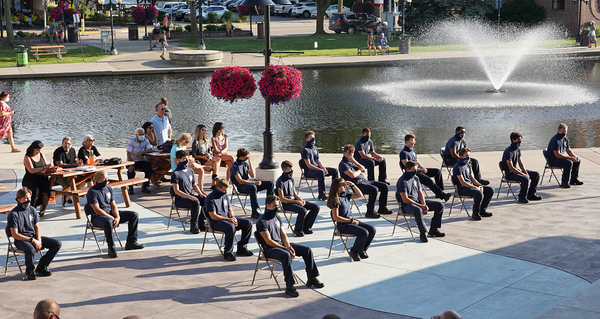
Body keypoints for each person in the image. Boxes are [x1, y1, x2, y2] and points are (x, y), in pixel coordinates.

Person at [257, 195, 324, 297]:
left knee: (307, 250)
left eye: (278, 206)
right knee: (286, 255)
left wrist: (288, 246)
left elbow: (283, 235)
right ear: (267, 206)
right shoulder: (262, 221)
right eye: (274, 206)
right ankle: (289, 286)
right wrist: (285, 249)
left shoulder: (277, 217)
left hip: (281, 245)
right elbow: (269, 241)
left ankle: (312, 278)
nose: (277, 208)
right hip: (270, 249)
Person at [86, 170, 145, 258]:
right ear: (97, 179)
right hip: (98, 217)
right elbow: (97, 209)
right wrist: (111, 217)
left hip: (109, 213)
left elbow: (113, 205)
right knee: (108, 221)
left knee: (134, 215)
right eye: (103, 178)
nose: (106, 180)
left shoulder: (108, 188)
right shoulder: (92, 191)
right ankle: (111, 248)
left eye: (106, 177)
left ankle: (131, 242)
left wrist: (117, 217)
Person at [8, 187, 62, 280]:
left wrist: (39, 240)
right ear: (18, 200)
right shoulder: (13, 214)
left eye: (29, 198)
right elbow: (15, 235)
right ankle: (30, 270)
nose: (28, 200)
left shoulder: (32, 210)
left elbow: (36, 227)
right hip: (21, 240)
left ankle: (42, 266)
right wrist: (32, 240)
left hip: (32, 236)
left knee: (57, 244)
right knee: (30, 250)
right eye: (25, 198)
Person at [327, 177, 376, 261]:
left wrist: (353, 185)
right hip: (343, 225)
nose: (344, 186)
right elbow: (336, 217)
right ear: (336, 187)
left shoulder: (345, 195)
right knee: (364, 232)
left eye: (344, 184)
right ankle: (354, 251)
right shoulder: (336, 200)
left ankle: (362, 250)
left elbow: (359, 195)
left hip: (351, 221)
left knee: (372, 229)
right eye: (342, 185)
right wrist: (351, 221)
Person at [205, 178, 254, 261]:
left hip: (226, 219)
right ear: (218, 188)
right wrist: (228, 220)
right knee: (230, 227)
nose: (225, 192)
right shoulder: (210, 198)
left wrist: (232, 217)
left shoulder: (225, 195)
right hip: (216, 222)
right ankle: (228, 252)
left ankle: (242, 247)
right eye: (224, 191)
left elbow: (229, 209)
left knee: (248, 223)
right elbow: (213, 216)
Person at [397, 161, 445, 243]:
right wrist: (420, 206)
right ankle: (422, 233)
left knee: (440, 205)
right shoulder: (402, 181)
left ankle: (433, 229)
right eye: (414, 170)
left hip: (417, 201)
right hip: (407, 205)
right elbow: (405, 199)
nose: (416, 171)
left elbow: (420, 193)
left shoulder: (416, 178)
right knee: (418, 210)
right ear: (407, 170)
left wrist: (423, 204)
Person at [339, 144, 392, 218]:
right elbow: (352, 175)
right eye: (349, 153)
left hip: (364, 181)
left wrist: (354, 161)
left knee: (384, 186)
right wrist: (359, 170)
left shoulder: (353, 162)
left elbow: (363, 169)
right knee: (374, 190)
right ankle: (370, 211)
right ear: (344, 153)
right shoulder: (343, 164)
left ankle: (382, 208)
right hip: (356, 185)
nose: (350, 155)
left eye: (352, 153)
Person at [400, 134, 451, 201]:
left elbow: (417, 161)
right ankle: (442, 195)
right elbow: (408, 166)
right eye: (411, 142)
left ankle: (439, 192)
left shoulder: (413, 151)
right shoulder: (403, 153)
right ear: (406, 142)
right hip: (412, 173)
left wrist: (423, 168)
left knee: (437, 171)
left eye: (414, 142)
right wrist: (420, 170)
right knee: (428, 180)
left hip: (419, 170)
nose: (413, 143)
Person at [276, 160, 320, 237]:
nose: (291, 171)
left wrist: (300, 200)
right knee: (303, 210)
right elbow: (282, 199)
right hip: (287, 203)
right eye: (290, 170)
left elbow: (295, 194)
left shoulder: (291, 179)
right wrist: (296, 202)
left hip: (294, 200)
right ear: (284, 170)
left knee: (315, 207)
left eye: (292, 169)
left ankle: (306, 227)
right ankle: (298, 229)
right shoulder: (280, 181)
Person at [230, 148, 274, 219]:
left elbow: (252, 175)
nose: (247, 158)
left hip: (249, 183)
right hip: (241, 186)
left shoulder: (245, 164)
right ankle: (254, 211)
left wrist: (250, 163)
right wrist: (254, 182)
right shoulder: (234, 167)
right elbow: (240, 181)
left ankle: (269, 206)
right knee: (253, 187)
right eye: (246, 157)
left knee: (270, 184)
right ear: (241, 157)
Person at [453, 148, 494, 221]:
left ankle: (482, 210)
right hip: (463, 188)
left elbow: (472, 178)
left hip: (470, 186)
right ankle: (475, 213)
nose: (468, 157)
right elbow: (462, 182)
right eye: (466, 156)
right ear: (461, 156)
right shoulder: (457, 167)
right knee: (478, 194)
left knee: (490, 190)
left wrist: (479, 185)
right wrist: (475, 188)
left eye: (469, 155)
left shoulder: (468, 165)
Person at [172, 150, 207, 234]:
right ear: (178, 160)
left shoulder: (190, 171)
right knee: (195, 202)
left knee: (206, 199)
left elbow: (194, 185)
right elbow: (176, 191)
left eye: (187, 158)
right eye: (184, 159)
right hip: (180, 199)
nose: (186, 160)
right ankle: (193, 225)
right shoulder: (176, 173)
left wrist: (200, 193)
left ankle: (201, 222)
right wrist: (189, 196)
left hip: (190, 195)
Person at [502, 132, 542, 203]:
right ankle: (522, 197)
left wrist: (525, 172)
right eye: (518, 140)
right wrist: (523, 174)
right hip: (510, 174)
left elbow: (520, 163)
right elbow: (511, 167)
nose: (520, 142)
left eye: (520, 140)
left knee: (536, 174)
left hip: (516, 171)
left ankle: (531, 194)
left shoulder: (517, 150)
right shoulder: (508, 151)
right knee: (525, 179)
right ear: (513, 140)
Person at [300, 131, 339, 201]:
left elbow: (318, 161)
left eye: (313, 138)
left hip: (317, 169)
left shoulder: (315, 148)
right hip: (309, 171)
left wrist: (323, 168)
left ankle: (335, 191)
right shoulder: (305, 150)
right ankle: (321, 193)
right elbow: (308, 164)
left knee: (334, 171)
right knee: (321, 172)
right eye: (311, 138)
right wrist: (320, 170)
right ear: (307, 139)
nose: (313, 140)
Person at [547, 123, 583, 188]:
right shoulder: (555, 140)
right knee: (568, 163)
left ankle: (573, 179)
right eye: (563, 132)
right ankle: (564, 182)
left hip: (559, 158)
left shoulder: (565, 139)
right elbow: (557, 155)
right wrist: (570, 158)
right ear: (558, 131)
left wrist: (574, 157)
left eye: (565, 132)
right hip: (553, 159)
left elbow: (568, 150)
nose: (564, 134)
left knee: (578, 160)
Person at [22, 141, 52, 217]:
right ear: (33, 149)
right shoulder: (27, 157)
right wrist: (44, 168)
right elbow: (31, 170)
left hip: (42, 177)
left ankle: (43, 209)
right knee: (35, 191)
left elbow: (46, 165)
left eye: (40, 150)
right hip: (31, 179)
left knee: (46, 191)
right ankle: (32, 209)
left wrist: (50, 166)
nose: (39, 152)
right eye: (37, 150)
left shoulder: (41, 155)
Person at [53, 136, 84, 205]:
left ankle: (67, 196)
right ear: (62, 143)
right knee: (68, 186)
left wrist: (78, 163)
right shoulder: (58, 151)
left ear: (71, 144)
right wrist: (74, 165)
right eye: (65, 143)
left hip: (71, 173)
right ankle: (66, 196)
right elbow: (60, 164)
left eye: (68, 144)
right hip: (59, 175)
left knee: (83, 180)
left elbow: (75, 160)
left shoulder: (72, 150)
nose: (66, 145)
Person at [126, 128, 154, 194]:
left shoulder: (146, 140)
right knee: (131, 170)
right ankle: (130, 188)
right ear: (136, 135)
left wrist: (142, 152)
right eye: (140, 134)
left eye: (143, 134)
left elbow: (150, 149)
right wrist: (131, 164)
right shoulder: (132, 141)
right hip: (132, 160)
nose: (142, 136)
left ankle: (145, 187)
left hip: (142, 160)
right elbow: (128, 153)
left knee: (149, 169)